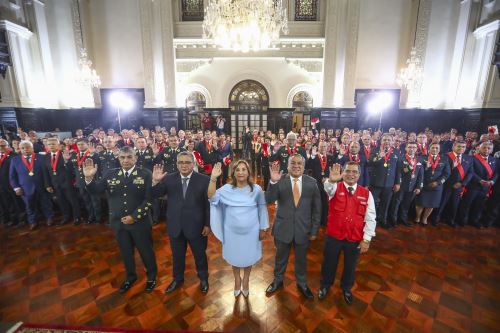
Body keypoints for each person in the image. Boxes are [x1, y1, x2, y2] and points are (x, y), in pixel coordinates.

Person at [83, 146, 158, 293]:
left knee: (146, 252)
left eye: (129, 157)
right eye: (122, 157)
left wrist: (134, 216)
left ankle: (151, 277)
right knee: (125, 252)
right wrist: (89, 178)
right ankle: (130, 277)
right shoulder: (110, 174)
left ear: (135, 158)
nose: (126, 160)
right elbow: (96, 190)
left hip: (140, 223)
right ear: (119, 159)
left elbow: (149, 199)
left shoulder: (145, 174)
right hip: (118, 223)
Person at [151, 151, 211, 294]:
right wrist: (155, 181)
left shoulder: (204, 179)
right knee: (177, 256)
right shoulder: (169, 178)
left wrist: (208, 224)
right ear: (177, 164)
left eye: (187, 162)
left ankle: (203, 278)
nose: (184, 165)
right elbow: (155, 194)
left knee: (200, 255)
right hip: (175, 225)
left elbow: (208, 205)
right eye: (181, 162)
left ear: (193, 163)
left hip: (197, 227)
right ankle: (177, 279)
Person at [208, 160, 269, 297]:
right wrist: (213, 178)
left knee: (248, 256)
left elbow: (262, 208)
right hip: (232, 233)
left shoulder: (257, 189)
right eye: (237, 170)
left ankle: (246, 279)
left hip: (251, 232)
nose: (241, 172)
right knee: (235, 257)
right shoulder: (226, 189)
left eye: (243, 169)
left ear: (248, 172)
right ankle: (237, 279)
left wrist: (263, 228)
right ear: (233, 173)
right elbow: (211, 197)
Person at [318, 162, 376, 304]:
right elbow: (328, 188)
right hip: (334, 236)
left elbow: (370, 217)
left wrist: (366, 239)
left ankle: (346, 288)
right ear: (342, 173)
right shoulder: (334, 187)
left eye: (354, 172)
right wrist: (332, 180)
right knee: (329, 263)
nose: (351, 174)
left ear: (359, 174)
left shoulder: (366, 193)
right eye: (348, 171)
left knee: (350, 266)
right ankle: (325, 285)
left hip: (354, 237)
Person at [265, 154, 321, 299]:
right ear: (288, 165)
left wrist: (314, 230)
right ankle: (278, 280)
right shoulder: (280, 180)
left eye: (299, 164)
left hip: (303, 230)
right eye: (293, 163)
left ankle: (302, 283)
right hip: (283, 228)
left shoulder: (312, 183)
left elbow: (317, 209)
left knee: (301, 259)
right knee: (280, 258)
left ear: (304, 166)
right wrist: (272, 181)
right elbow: (269, 200)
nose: (296, 166)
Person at [9, 140, 54, 230]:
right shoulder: (15, 160)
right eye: (23, 148)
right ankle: (33, 221)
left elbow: (46, 173)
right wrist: (16, 188)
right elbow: (12, 176)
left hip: (42, 186)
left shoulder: (41, 157)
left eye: (28, 147)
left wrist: (48, 184)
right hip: (25, 188)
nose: (26, 149)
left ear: (32, 148)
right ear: (20, 149)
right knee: (29, 206)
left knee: (46, 203)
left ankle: (49, 218)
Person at [430, 140, 473, 227]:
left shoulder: (468, 158)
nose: (461, 148)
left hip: (459, 186)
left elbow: (470, 173)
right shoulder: (445, 156)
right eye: (459, 146)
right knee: (441, 203)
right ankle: (435, 219)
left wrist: (462, 183)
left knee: (454, 204)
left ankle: (451, 220)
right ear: (453, 147)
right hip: (446, 185)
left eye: (463, 147)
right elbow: (441, 172)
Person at [457, 141, 497, 228]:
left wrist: (492, 181)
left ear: (492, 150)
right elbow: (471, 171)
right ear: (479, 148)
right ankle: (462, 220)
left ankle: (474, 220)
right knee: (466, 204)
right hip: (473, 186)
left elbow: (496, 173)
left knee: (479, 205)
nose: (486, 150)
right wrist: (479, 180)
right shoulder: (472, 158)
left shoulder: (494, 160)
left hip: (485, 188)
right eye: (484, 148)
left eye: (489, 148)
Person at [43, 137, 82, 225]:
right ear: (47, 146)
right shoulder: (46, 157)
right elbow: (45, 172)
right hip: (55, 184)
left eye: (53, 144)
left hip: (67, 182)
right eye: (49, 144)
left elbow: (73, 170)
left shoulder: (66, 154)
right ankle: (66, 216)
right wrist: (47, 185)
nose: (51, 146)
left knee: (73, 201)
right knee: (61, 202)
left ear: (58, 145)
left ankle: (77, 217)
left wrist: (67, 161)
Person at [368, 134, 401, 228]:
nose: (387, 142)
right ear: (381, 141)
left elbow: (398, 169)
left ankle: (383, 220)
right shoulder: (375, 150)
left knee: (385, 204)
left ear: (392, 141)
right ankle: (372, 221)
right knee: (372, 204)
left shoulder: (396, 152)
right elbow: (370, 162)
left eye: (389, 140)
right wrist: (379, 157)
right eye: (385, 140)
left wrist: (397, 182)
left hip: (389, 183)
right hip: (376, 182)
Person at [414, 143, 451, 226]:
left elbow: (447, 174)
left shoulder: (444, 159)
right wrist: (426, 168)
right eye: (433, 147)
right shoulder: (421, 158)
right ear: (429, 149)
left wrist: (438, 182)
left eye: (437, 148)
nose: (434, 149)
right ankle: (417, 217)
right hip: (423, 184)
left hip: (436, 186)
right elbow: (417, 171)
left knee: (431, 204)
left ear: (439, 149)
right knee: (420, 203)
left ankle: (424, 218)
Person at [388, 142, 423, 227]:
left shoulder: (419, 160)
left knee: (406, 204)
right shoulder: (401, 158)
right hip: (401, 185)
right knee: (396, 203)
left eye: (414, 147)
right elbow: (398, 172)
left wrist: (419, 187)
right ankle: (393, 220)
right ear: (406, 148)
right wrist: (397, 183)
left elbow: (420, 175)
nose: (412, 149)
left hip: (412, 186)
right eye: (410, 147)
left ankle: (403, 219)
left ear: (416, 149)